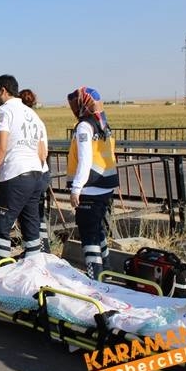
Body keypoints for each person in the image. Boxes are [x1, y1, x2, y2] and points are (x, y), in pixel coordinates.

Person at [0, 75, 48, 262]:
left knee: (1, 224)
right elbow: (42, 149)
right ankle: (34, 271)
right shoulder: (32, 114)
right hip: (36, 173)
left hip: (15, 173)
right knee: (31, 226)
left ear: (3, 90)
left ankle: (1, 272)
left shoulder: (3, 112)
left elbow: (1, 147)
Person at [66, 86, 119, 279]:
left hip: (90, 187)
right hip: (105, 185)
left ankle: (95, 278)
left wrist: (76, 188)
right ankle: (107, 272)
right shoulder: (103, 123)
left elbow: (85, 159)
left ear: (83, 104)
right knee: (98, 230)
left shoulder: (84, 126)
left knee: (89, 236)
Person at [19, 88, 52, 253]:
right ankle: (44, 250)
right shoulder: (38, 120)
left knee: (28, 216)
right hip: (43, 172)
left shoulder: (24, 120)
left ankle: (32, 253)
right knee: (38, 215)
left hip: (31, 172)